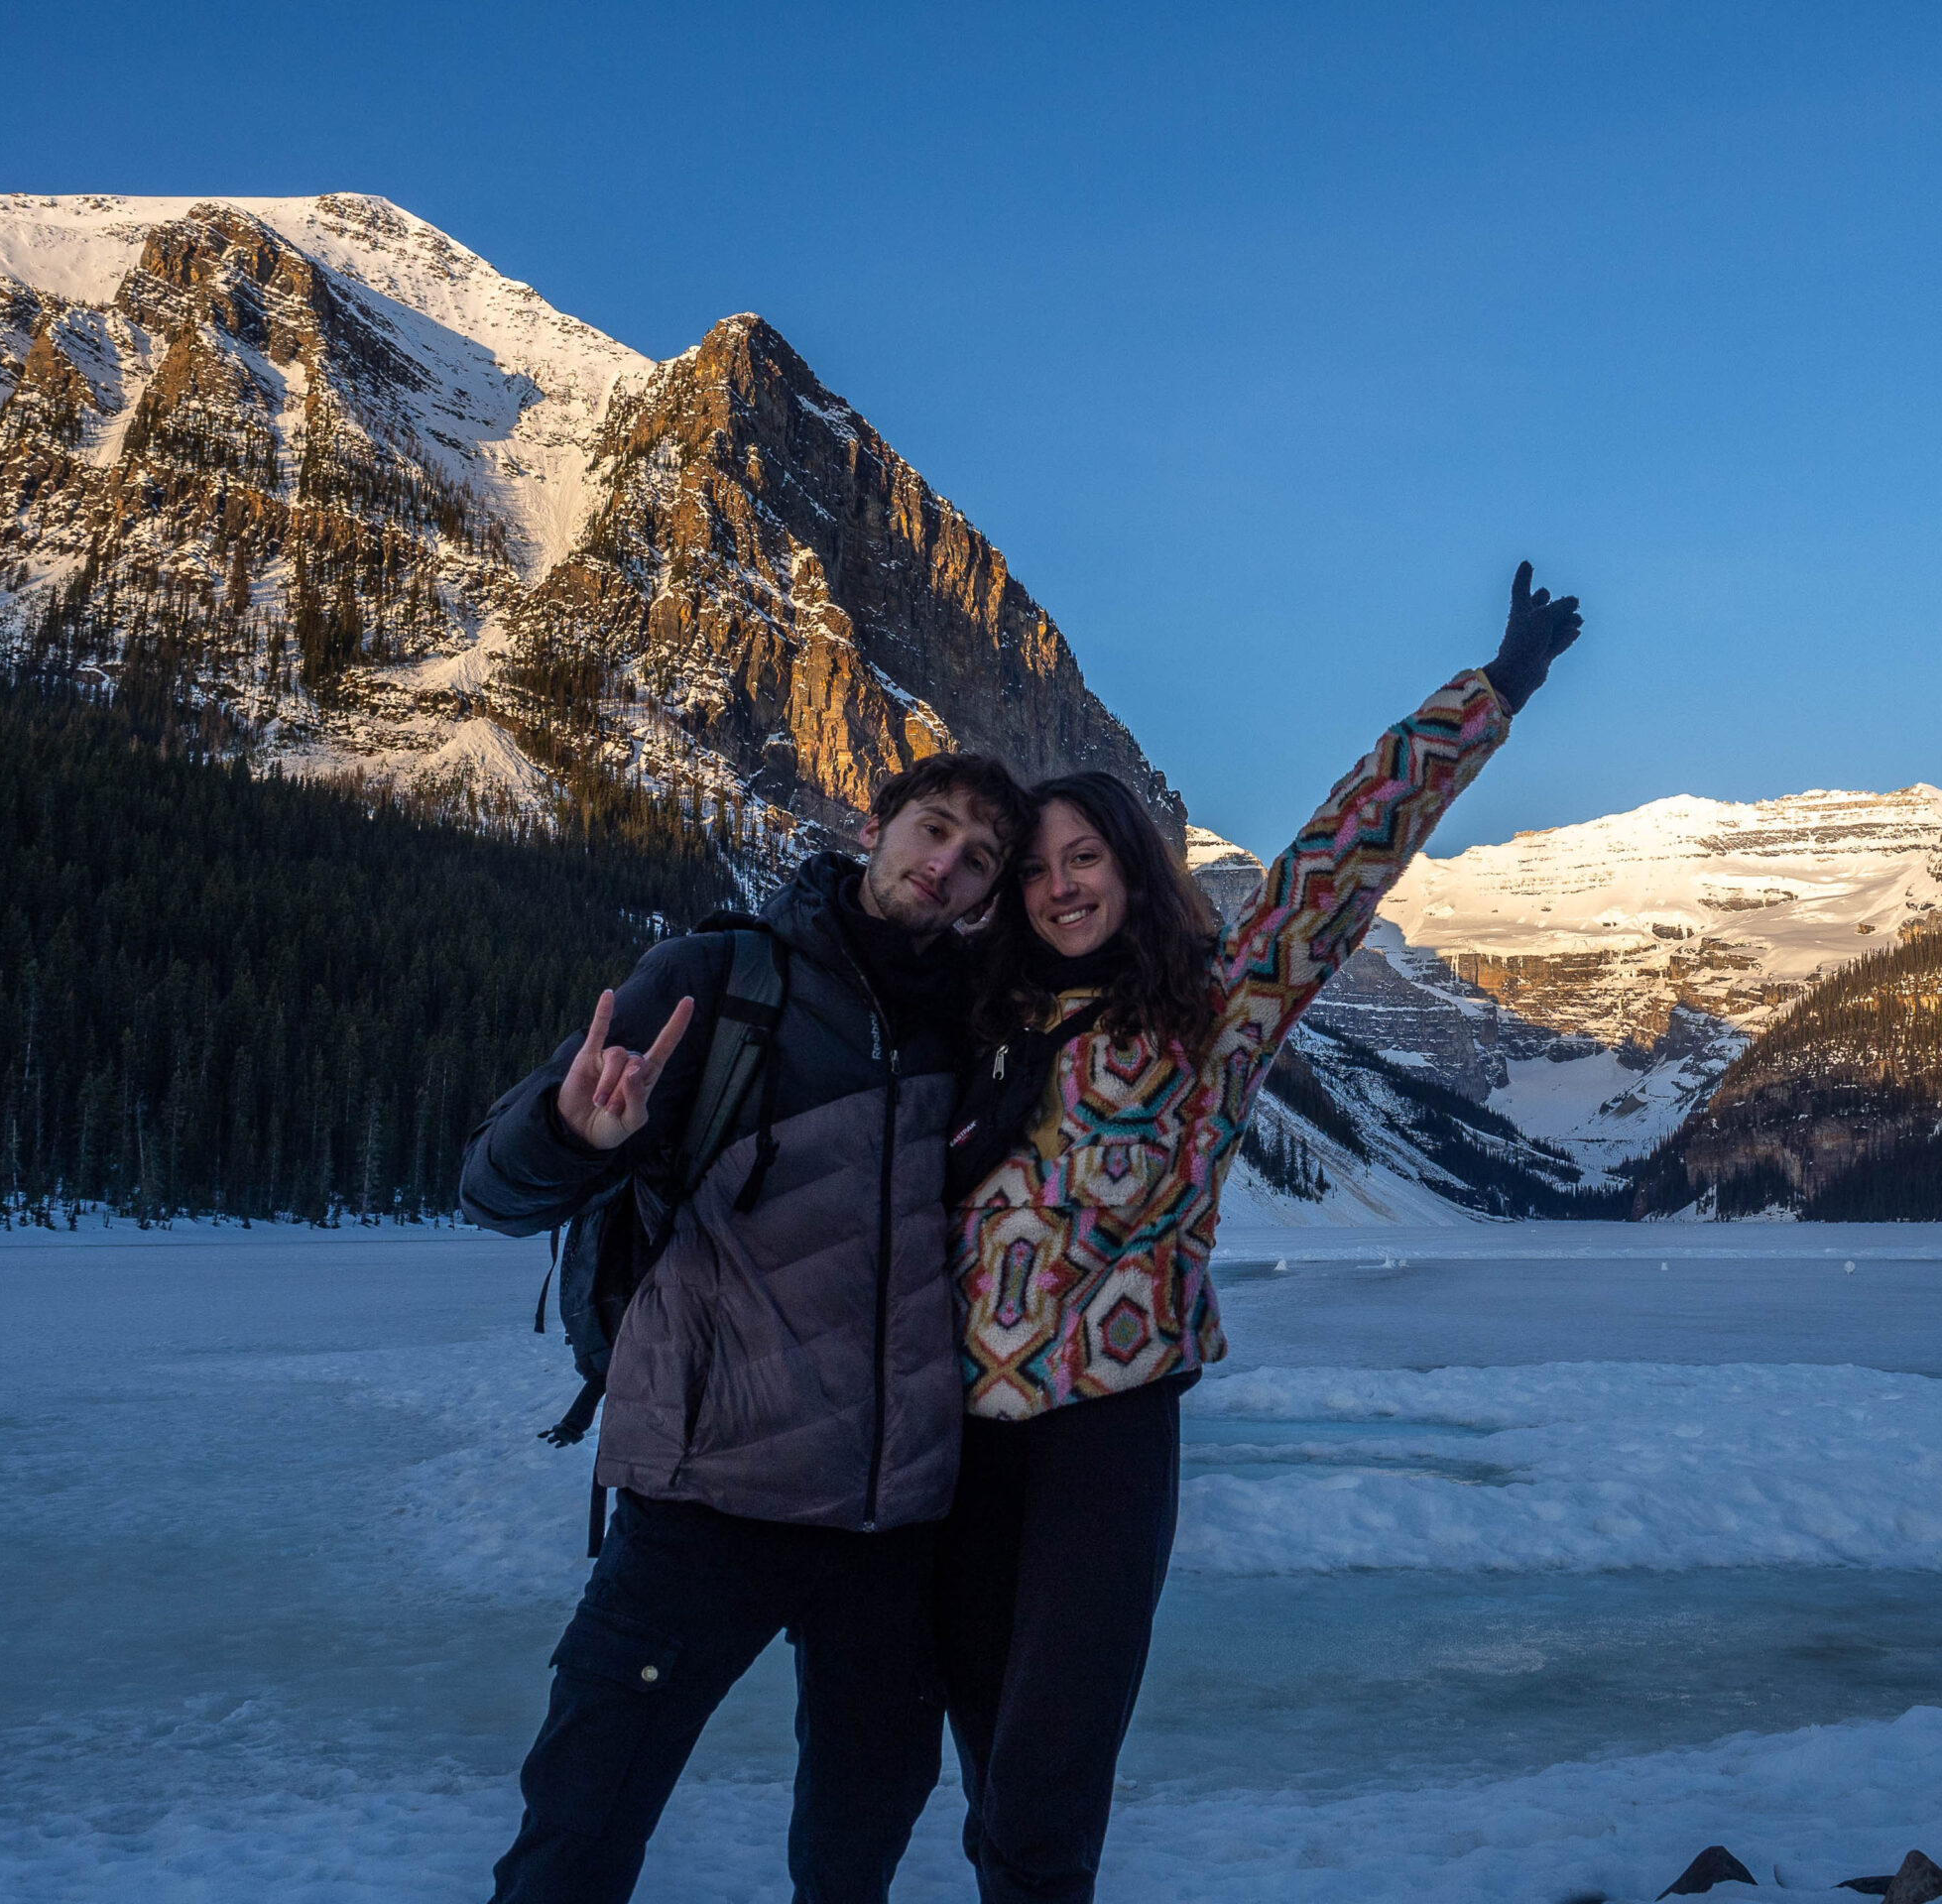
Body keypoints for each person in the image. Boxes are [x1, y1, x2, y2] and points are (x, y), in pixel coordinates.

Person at [938, 561, 1587, 1902]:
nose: (1062, 889)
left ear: (1130, 870)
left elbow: (1336, 864)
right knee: (991, 1778)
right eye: (1041, 870)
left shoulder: (1212, 1017)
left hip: (1109, 1437)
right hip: (950, 1448)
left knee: (1043, 1795)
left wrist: (1493, 692)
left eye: (1088, 860)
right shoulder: (962, 1024)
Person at [459, 752, 1034, 1904]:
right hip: (706, 1497)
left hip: (891, 1519)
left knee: (855, 1848)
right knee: (581, 1824)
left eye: (978, 859)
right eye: (932, 830)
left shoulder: (978, 1038)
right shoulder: (718, 982)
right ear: (875, 824)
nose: (947, 865)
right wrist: (573, 1137)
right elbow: (492, 1189)